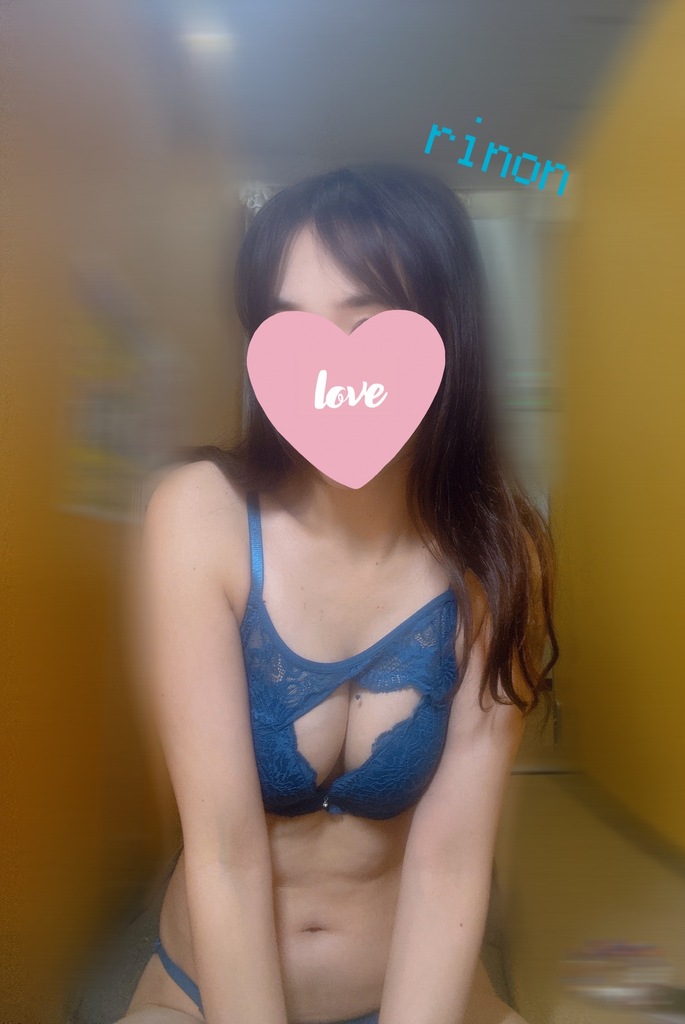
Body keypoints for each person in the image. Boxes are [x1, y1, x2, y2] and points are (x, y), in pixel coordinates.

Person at [121, 163, 558, 1024]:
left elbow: (451, 861)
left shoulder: (498, 558)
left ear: (445, 337)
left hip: (414, 996)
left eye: (365, 321)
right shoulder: (199, 518)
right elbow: (223, 851)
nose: (329, 368)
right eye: (290, 327)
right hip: (204, 995)